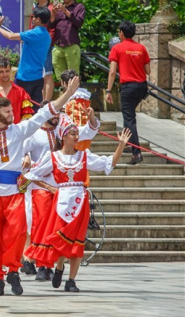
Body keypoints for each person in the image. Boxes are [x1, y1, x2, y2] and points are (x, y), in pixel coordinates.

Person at [0, 75, 81, 296]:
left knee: (17, 233)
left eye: (12, 111)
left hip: (15, 192)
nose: (12, 114)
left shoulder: (19, 130)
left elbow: (45, 113)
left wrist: (68, 94)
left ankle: (13, 270)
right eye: (7, 112)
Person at [25, 117, 130, 292]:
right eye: (72, 133)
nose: (76, 136)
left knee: (77, 242)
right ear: (63, 137)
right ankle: (59, 266)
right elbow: (32, 175)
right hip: (61, 202)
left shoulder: (84, 155)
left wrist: (120, 145)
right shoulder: (53, 157)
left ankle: (71, 280)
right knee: (60, 240)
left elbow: (108, 163)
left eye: (77, 133)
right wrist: (50, 187)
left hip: (80, 203)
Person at [21, 104, 99, 281]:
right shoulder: (33, 132)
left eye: (58, 113)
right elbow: (19, 151)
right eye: (52, 113)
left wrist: (91, 118)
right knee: (41, 224)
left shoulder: (63, 128)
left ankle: (54, 263)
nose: (56, 117)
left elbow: (88, 132)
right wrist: (25, 157)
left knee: (59, 228)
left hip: (64, 187)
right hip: (41, 185)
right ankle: (42, 264)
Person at [106, 20, 150, 164]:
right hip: (142, 86)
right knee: (128, 114)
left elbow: (112, 72)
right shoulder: (141, 48)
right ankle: (128, 144)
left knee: (129, 118)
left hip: (128, 87)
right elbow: (148, 71)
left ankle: (136, 153)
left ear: (122, 33)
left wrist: (108, 90)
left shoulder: (117, 48)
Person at [0, 6, 52, 110]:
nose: (32, 19)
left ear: (38, 19)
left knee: (18, 106)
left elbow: (10, 36)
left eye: (33, 17)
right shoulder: (47, 36)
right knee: (35, 109)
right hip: (38, 77)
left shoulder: (34, 33)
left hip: (25, 77)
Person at [51, 0, 85, 80]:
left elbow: (79, 23)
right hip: (58, 46)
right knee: (61, 78)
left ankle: (74, 95)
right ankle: (64, 94)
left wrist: (66, 11)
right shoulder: (58, 7)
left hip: (71, 45)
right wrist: (53, 13)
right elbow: (51, 25)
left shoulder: (79, 7)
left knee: (73, 77)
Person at [0, 58, 34, 124]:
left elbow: (26, 117)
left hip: (15, 132)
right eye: (1, 72)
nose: (5, 74)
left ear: (10, 70)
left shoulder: (20, 91)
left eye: (7, 71)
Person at [28, 0, 56, 101]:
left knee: (48, 73)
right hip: (35, 45)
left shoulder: (50, 9)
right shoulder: (36, 7)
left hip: (45, 46)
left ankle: (46, 101)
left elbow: (53, 28)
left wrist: (47, 43)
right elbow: (32, 26)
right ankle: (40, 100)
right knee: (40, 74)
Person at [60, 69, 93, 152]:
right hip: (85, 135)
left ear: (64, 83)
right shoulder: (84, 98)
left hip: (74, 138)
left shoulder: (72, 101)